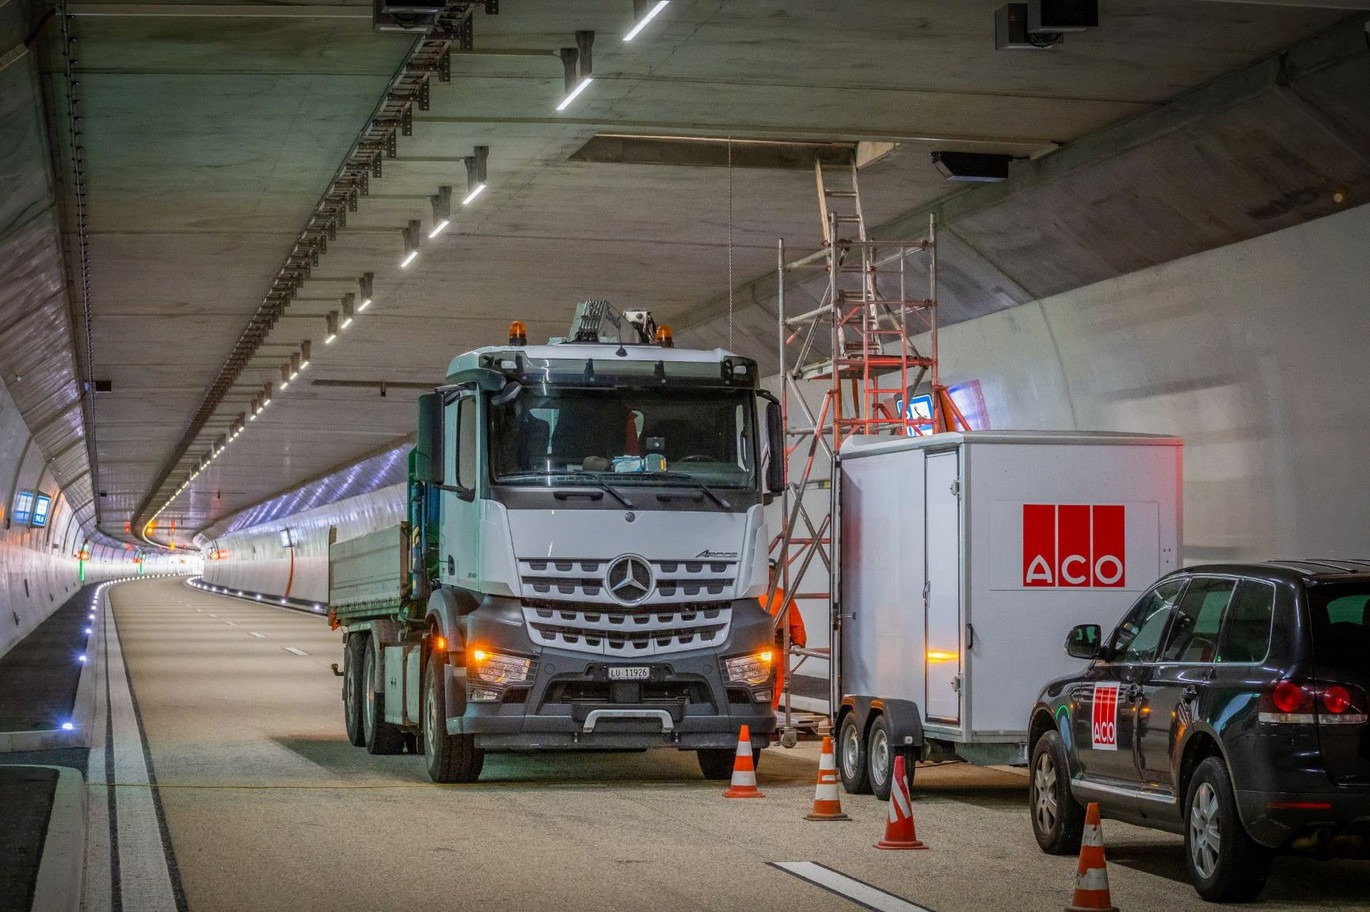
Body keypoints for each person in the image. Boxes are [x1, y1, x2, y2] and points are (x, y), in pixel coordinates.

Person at [759, 560, 807, 710]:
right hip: (756, 643)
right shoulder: (752, 595)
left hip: (777, 643)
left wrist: (799, 641)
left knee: (778, 677)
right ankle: (759, 706)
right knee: (757, 676)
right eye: (767, 570)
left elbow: (795, 620)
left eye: (772, 570)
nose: (770, 573)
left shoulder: (783, 596)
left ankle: (773, 706)